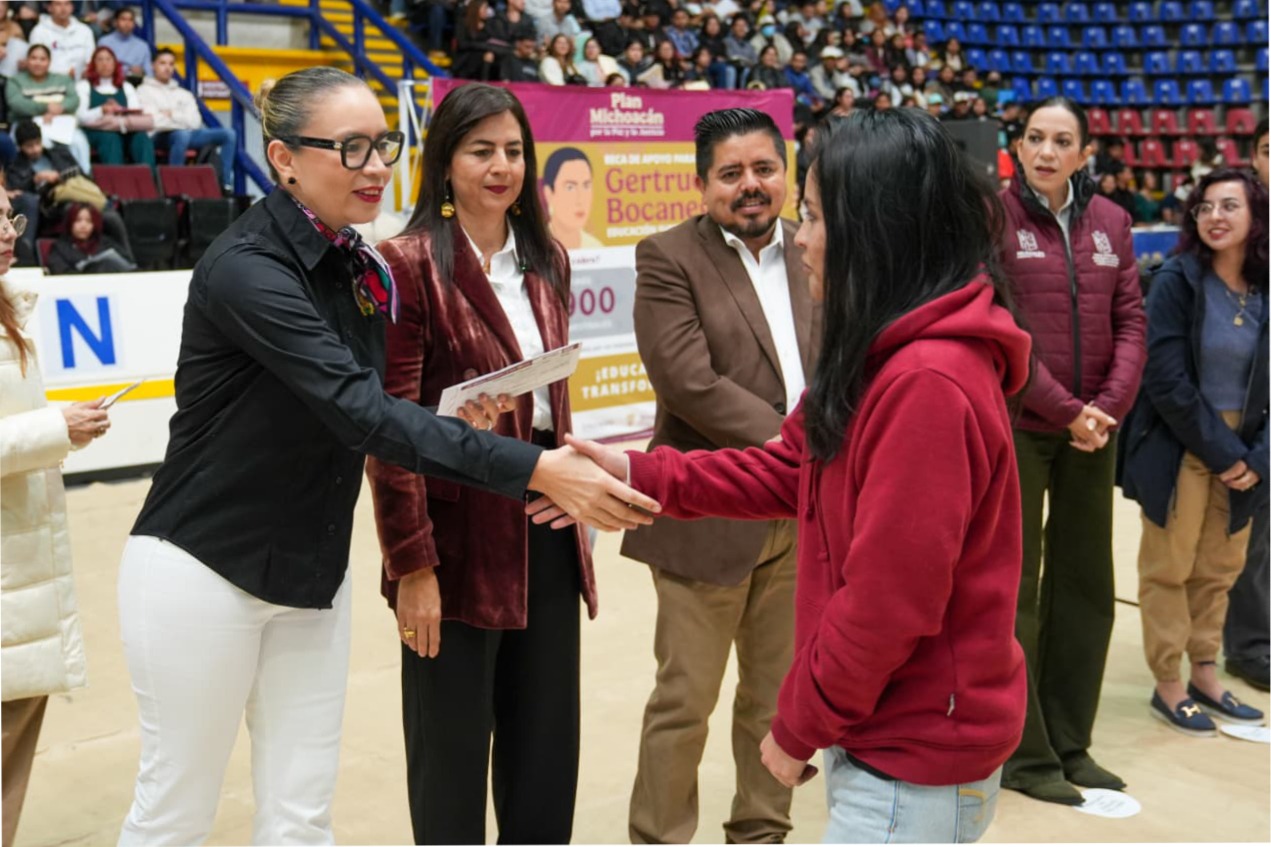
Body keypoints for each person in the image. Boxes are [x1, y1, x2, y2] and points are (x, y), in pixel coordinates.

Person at [113, 67, 659, 846]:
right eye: (352, 148)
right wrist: (530, 470)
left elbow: (388, 406)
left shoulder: (359, 266)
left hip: (309, 568)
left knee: (300, 813)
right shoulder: (248, 269)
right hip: (205, 566)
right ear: (283, 158)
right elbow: (361, 411)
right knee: (176, 810)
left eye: (383, 146)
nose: (374, 166)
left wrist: (451, 412)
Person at [537, 106, 1030, 844]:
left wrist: (797, 726)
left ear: (875, 229)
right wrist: (641, 468)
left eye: (817, 216)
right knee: (685, 698)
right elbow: (783, 462)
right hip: (880, 731)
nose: (800, 236)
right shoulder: (880, 348)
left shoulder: (926, 379)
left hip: (915, 747)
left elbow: (887, 603)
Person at [368, 81, 593, 846]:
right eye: (479, 150)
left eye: (512, 150)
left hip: (546, 528)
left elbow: (553, 404)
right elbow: (389, 433)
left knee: (544, 757)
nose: (500, 166)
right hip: (455, 548)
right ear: (443, 160)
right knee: (451, 766)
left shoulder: (548, 259)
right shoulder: (404, 265)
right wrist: (412, 566)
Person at [621, 108, 818, 845]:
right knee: (684, 700)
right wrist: (804, 445)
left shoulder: (814, 245)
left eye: (762, 169)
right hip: (711, 510)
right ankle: (659, 836)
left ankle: (762, 829)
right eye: (730, 173)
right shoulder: (667, 255)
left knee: (775, 700)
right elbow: (688, 383)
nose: (750, 186)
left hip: (800, 517)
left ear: (783, 173)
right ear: (702, 183)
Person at [997, 96, 1146, 805]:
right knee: (1016, 588)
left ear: (1084, 154)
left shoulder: (1112, 223)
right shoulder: (991, 219)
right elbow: (995, 326)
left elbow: (1131, 322)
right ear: (1017, 147)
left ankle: (1069, 742)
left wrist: (1106, 410)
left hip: (1094, 430)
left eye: (1061, 141)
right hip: (1023, 425)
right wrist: (1063, 409)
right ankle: (1023, 755)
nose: (1046, 151)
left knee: (1085, 585)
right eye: (1034, 138)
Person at [1120, 168, 1268, 734]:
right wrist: (1227, 453)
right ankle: (1168, 683)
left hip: (1248, 451)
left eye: (1229, 206)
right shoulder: (1177, 280)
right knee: (1169, 567)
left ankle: (1206, 671)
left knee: (1220, 569)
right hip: (1184, 443)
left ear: (1256, 217)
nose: (1215, 217)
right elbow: (1166, 380)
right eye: (1205, 207)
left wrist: (1257, 459)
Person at [1, 189, 111, 847]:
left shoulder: (13, 304)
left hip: (23, 570)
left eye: (9, 215)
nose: (7, 231)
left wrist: (59, 431)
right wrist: (54, 428)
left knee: (15, 746)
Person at [1224, 118, 1271, 692]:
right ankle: (1250, 646)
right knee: (1253, 533)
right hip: (1250, 397)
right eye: (1267, 147)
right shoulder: (1242, 223)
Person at [139, 48, 237, 192]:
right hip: (157, 136)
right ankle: (173, 185)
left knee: (229, 134)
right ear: (153, 65)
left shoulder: (183, 93)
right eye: (162, 63)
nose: (167, 68)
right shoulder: (143, 91)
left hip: (187, 134)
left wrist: (171, 114)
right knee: (181, 135)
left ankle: (225, 184)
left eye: (171, 64)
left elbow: (195, 121)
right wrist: (180, 118)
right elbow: (153, 121)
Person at [4, 42, 90, 172]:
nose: (38, 63)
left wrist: (60, 108)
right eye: (33, 58)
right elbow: (16, 104)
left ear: (49, 62)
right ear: (27, 61)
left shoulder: (63, 80)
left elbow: (74, 100)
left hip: (60, 124)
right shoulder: (15, 81)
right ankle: (38, 182)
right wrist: (46, 108)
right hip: (26, 126)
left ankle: (84, 177)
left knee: (79, 142)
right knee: (38, 144)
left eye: (42, 59)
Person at [75, 45, 155, 169]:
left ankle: (150, 182)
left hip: (123, 128)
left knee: (141, 138)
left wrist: (119, 110)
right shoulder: (84, 86)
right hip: (96, 131)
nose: (104, 63)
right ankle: (115, 185)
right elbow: (80, 117)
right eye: (100, 60)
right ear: (93, 64)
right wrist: (102, 110)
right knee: (110, 139)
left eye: (108, 59)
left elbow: (135, 113)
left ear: (115, 63)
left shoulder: (126, 86)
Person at [46, 201, 133, 273]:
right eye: (78, 220)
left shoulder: (106, 243)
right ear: (70, 223)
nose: (83, 226)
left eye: (89, 221)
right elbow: (60, 271)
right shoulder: (60, 247)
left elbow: (129, 265)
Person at [542, 146, 600, 249]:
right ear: (549, 193)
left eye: (586, 186)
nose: (580, 199)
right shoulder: (534, 246)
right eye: (570, 187)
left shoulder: (597, 248)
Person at [27, 0, 94, 79]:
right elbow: (37, 63)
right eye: (58, 4)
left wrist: (83, 72)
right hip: (50, 82)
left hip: (81, 82)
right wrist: (65, 74)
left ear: (72, 7)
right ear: (49, 8)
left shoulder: (85, 31)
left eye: (67, 4)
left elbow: (90, 60)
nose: (63, 8)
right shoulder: (39, 32)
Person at [95, 6, 149, 81]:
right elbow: (98, 67)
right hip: (110, 81)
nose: (127, 23)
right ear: (115, 22)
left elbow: (149, 73)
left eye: (130, 20)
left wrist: (142, 71)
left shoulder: (143, 46)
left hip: (136, 84)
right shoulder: (104, 42)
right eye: (123, 19)